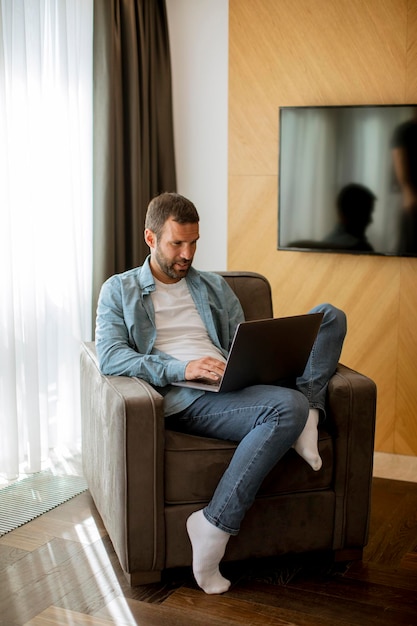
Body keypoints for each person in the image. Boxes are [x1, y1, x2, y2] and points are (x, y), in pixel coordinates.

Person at [95, 192, 347, 595]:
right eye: (177, 243)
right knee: (287, 407)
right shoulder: (119, 290)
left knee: (331, 316)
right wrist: (183, 368)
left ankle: (309, 414)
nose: (187, 254)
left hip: (232, 384)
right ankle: (213, 523)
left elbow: (240, 341)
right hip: (186, 396)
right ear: (150, 238)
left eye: (193, 242)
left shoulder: (212, 286)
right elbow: (110, 356)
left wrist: (260, 360)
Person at [322, 183, 376, 252]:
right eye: (367, 214)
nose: (370, 220)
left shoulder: (326, 242)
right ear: (354, 214)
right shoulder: (361, 248)